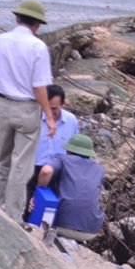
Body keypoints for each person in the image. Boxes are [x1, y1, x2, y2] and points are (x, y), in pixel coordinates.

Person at [0, 0, 57, 223]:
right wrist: (50, 117)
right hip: (26, 108)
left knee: (1, 160)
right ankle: (12, 217)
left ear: (17, 19)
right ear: (38, 25)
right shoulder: (37, 47)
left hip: (2, 105)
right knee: (21, 165)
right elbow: (39, 86)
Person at [23, 84, 79, 222]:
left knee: (52, 213)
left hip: (58, 171)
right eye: (46, 107)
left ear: (63, 104)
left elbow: (73, 150)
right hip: (33, 169)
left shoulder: (71, 120)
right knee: (28, 210)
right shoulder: (33, 118)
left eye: (54, 109)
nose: (50, 112)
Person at [37, 133, 105, 242]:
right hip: (91, 231)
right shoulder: (99, 169)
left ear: (69, 150)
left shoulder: (62, 160)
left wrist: (38, 192)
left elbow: (46, 171)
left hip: (61, 226)